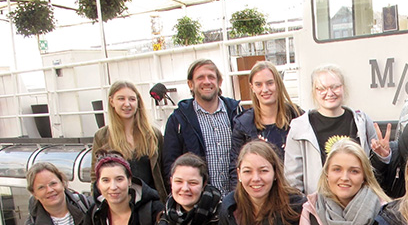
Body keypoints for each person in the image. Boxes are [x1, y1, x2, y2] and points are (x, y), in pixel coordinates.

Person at [284, 64, 391, 195]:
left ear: (343, 88)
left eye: (335, 87)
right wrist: (306, 209)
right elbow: (292, 181)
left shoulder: (361, 121)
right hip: (320, 206)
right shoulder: (300, 127)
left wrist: (383, 156)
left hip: (359, 203)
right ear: (314, 91)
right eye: (322, 89)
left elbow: (373, 172)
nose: (329, 93)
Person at [163, 59, 242, 195]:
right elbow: (171, 166)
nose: (207, 82)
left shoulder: (237, 113)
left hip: (237, 200)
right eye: (200, 77)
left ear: (219, 82)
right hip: (200, 202)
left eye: (211, 77)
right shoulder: (178, 120)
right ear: (190, 84)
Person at [93, 81, 166, 199]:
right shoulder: (101, 136)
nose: (127, 104)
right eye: (121, 99)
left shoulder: (154, 135)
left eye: (132, 99)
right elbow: (95, 177)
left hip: (151, 204)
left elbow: (163, 172)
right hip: (119, 205)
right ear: (112, 101)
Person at [229, 61, 302, 170]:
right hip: (258, 185)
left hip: (293, 184)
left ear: (278, 83)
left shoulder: (298, 116)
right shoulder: (243, 124)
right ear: (252, 87)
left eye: (270, 83)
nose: (265, 89)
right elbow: (236, 168)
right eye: (258, 84)